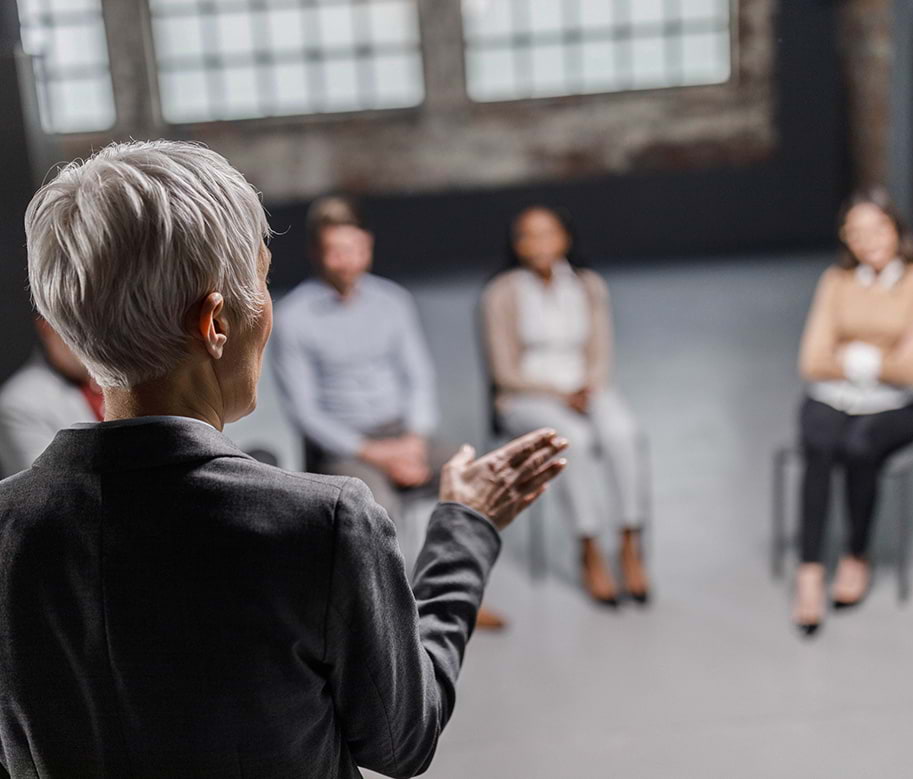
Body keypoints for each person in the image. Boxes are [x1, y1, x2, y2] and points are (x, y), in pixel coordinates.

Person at [0, 140, 567, 777]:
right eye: (262, 281)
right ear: (214, 323)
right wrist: (465, 525)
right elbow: (403, 740)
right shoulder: (320, 523)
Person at [272, 196, 506, 629]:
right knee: (377, 504)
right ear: (316, 252)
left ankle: (452, 593)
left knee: (474, 476)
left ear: (369, 246)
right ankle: (396, 620)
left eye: (356, 249)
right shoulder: (294, 317)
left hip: (403, 432)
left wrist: (414, 441)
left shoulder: (392, 301)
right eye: (335, 251)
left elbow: (418, 376)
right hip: (346, 444)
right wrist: (380, 454)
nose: (347, 261)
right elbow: (305, 412)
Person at [792, 190, 913, 636]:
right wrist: (883, 359)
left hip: (899, 407)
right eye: (855, 232)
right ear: (846, 239)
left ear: (896, 229)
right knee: (818, 442)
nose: (868, 240)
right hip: (831, 397)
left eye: (877, 228)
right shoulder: (834, 282)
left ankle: (856, 554)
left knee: (860, 446)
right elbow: (811, 359)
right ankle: (810, 570)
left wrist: (853, 356)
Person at [481, 205, 650, 607]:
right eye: (527, 235)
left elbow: (600, 351)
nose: (538, 243)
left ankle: (629, 541)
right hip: (527, 396)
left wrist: (588, 387)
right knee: (570, 438)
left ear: (565, 238)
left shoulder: (588, 285)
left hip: (586, 387)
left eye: (547, 233)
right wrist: (559, 395)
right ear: (516, 243)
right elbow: (504, 371)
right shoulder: (501, 293)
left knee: (621, 433)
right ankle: (589, 547)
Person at [0, 317, 104, 476]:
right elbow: (49, 491)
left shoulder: (126, 380)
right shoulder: (18, 404)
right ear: (48, 326)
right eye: (78, 327)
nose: (92, 338)